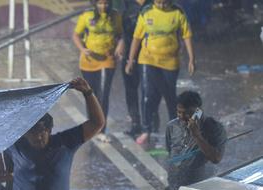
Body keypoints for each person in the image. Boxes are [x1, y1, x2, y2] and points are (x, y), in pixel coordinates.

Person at [125, 0, 195, 146]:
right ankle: (146, 130)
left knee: (170, 97)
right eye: (159, 2)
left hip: (170, 61)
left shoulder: (177, 12)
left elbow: (186, 35)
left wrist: (191, 59)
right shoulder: (146, 12)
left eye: (165, 2)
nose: (162, 5)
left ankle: (175, 130)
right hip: (147, 59)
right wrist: (130, 60)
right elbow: (137, 38)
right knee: (147, 96)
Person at [160, 91, 225, 190]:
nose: (182, 117)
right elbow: (172, 153)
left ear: (198, 111)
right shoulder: (172, 126)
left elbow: (215, 158)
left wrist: (197, 135)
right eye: (179, 112)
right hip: (174, 189)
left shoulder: (214, 128)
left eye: (187, 113)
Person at [72, 0, 123, 139]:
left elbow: (120, 35)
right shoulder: (87, 16)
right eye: (100, 3)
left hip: (108, 59)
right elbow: (76, 35)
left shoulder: (116, 16)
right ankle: (93, 126)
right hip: (89, 60)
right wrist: (83, 49)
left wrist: (119, 47)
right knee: (90, 94)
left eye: (106, 3)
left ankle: (102, 130)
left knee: (103, 94)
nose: (103, 6)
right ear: (95, 4)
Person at [121, 0, 149, 137]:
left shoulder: (154, 4)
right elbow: (119, 27)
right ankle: (135, 123)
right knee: (131, 91)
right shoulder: (126, 5)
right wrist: (120, 43)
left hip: (148, 56)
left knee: (149, 92)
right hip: (129, 54)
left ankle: (149, 125)